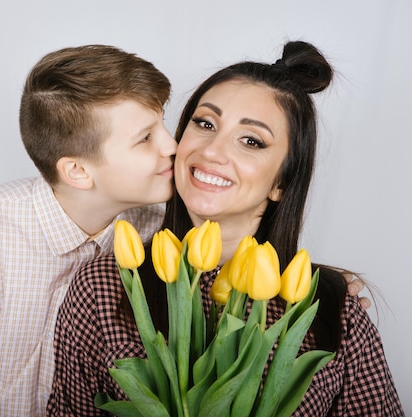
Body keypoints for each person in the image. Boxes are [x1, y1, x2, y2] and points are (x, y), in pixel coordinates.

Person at [47, 41, 403, 416]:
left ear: (281, 182)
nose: (213, 151)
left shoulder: (331, 307)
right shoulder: (104, 286)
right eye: (204, 124)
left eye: (251, 141)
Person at [0, 44, 177, 416]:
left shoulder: (162, 232)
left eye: (163, 125)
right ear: (77, 171)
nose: (172, 145)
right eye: (145, 138)